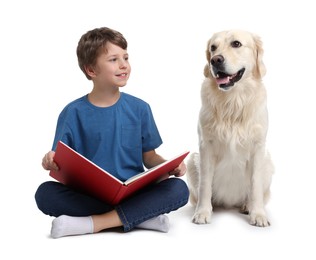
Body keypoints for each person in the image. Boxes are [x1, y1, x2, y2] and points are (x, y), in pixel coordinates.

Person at [35, 27, 189, 239]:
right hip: (91, 196)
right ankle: (140, 217)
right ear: (91, 70)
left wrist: (169, 165)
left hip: (133, 193)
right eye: (113, 59)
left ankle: (95, 223)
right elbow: (60, 161)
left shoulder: (140, 108)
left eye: (126, 57)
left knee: (178, 189)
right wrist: (49, 160)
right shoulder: (72, 113)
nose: (124, 64)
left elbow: (149, 157)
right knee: (45, 194)